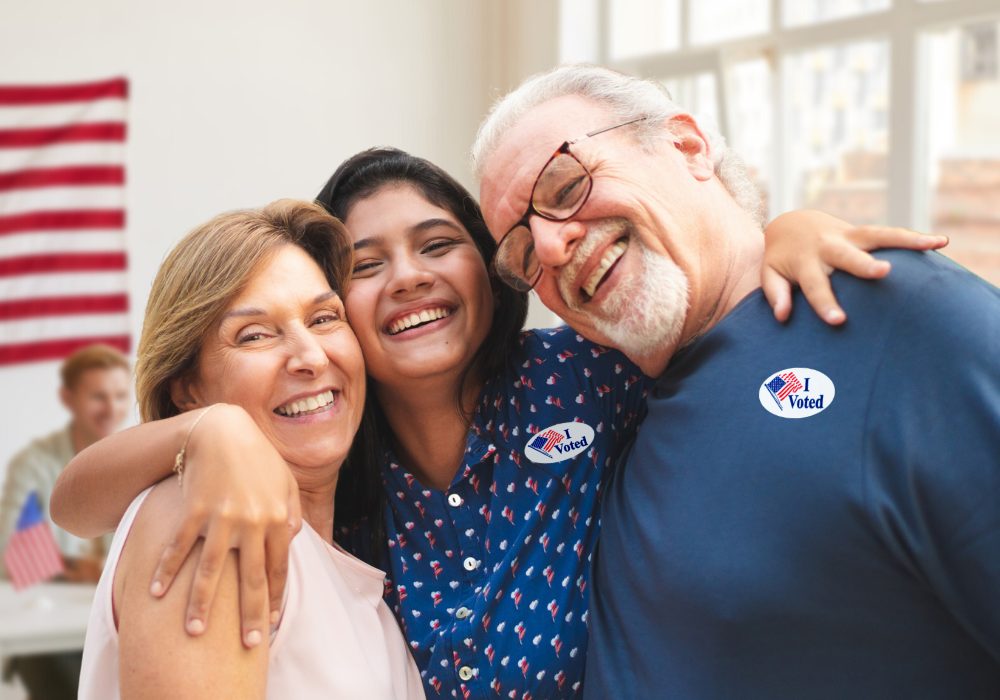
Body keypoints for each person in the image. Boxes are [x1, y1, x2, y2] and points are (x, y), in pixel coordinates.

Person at [52, 148, 942, 700]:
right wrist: (205, 435)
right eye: (365, 267)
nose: (407, 276)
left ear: (494, 269)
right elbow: (76, 503)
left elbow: (709, 321)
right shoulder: (300, 479)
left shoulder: (587, 371)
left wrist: (776, 235)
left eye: (439, 244)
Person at [471, 63, 1000, 698]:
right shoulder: (602, 399)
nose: (553, 248)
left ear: (689, 147)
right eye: (524, 251)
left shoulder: (901, 316)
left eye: (565, 186)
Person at [76, 200, 424, 700]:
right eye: (255, 335)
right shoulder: (206, 512)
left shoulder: (350, 572)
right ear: (187, 390)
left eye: (325, 318)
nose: (310, 356)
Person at [0, 343, 129, 700]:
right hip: (50, 627)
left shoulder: (141, 456)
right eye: (97, 397)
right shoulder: (34, 464)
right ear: (68, 398)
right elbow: (12, 556)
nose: (111, 409)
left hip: (123, 613)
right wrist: (89, 569)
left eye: (120, 395)